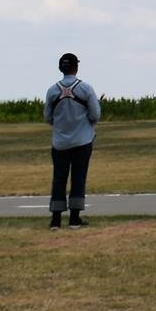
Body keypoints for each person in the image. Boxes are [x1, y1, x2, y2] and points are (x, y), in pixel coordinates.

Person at [43, 52, 101, 230]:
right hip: (82, 141)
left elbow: (48, 117)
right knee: (78, 178)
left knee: (59, 179)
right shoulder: (85, 88)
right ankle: (75, 218)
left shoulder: (52, 90)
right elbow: (95, 115)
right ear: (76, 67)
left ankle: (56, 219)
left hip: (59, 143)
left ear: (60, 68)